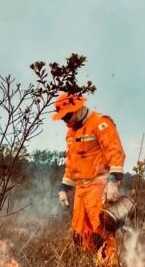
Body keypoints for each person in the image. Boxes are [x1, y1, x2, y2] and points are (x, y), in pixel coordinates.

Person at [53, 92, 126, 250]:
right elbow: (72, 163)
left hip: (99, 185)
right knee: (80, 233)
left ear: (79, 109)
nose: (66, 121)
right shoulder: (71, 133)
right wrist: (64, 188)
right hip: (81, 188)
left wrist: (113, 182)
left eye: (68, 116)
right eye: (63, 118)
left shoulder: (101, 123)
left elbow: (115, 152)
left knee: (103, 230)